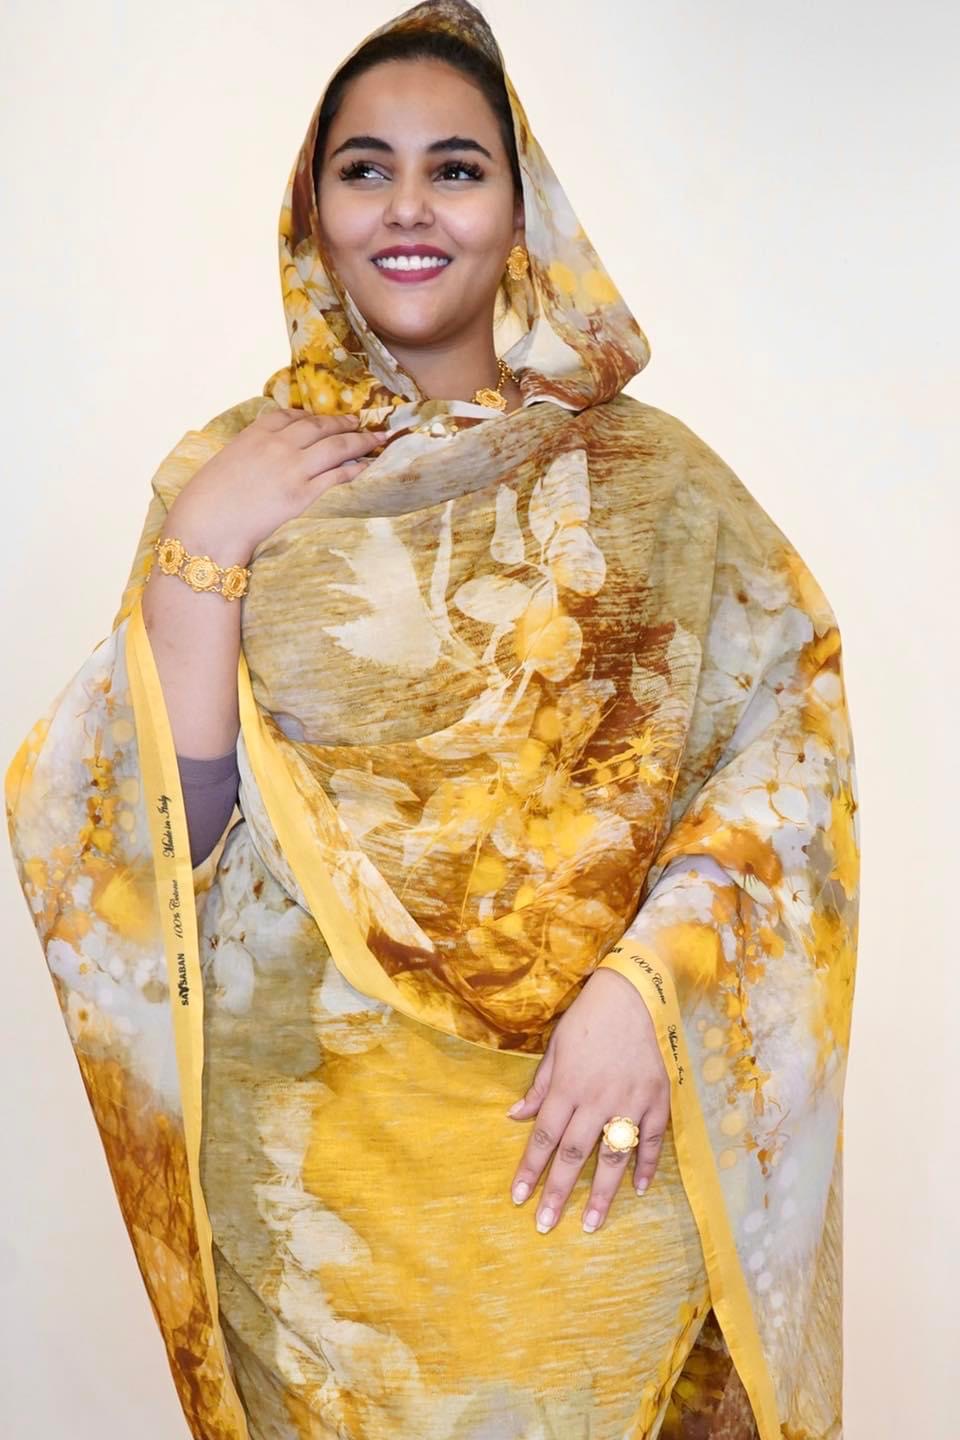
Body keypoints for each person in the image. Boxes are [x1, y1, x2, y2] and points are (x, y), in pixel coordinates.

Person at [5, 2, 860, 1437]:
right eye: (366, 169)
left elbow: (788, 758)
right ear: (314, 208)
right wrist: (200, 560)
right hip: (319, 1204)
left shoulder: (656, 481)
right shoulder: (229, 476)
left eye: (456, 168)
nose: (409, 206)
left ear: (524, 208)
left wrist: (649, 992)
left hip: (590, 1155)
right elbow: (166, 861)